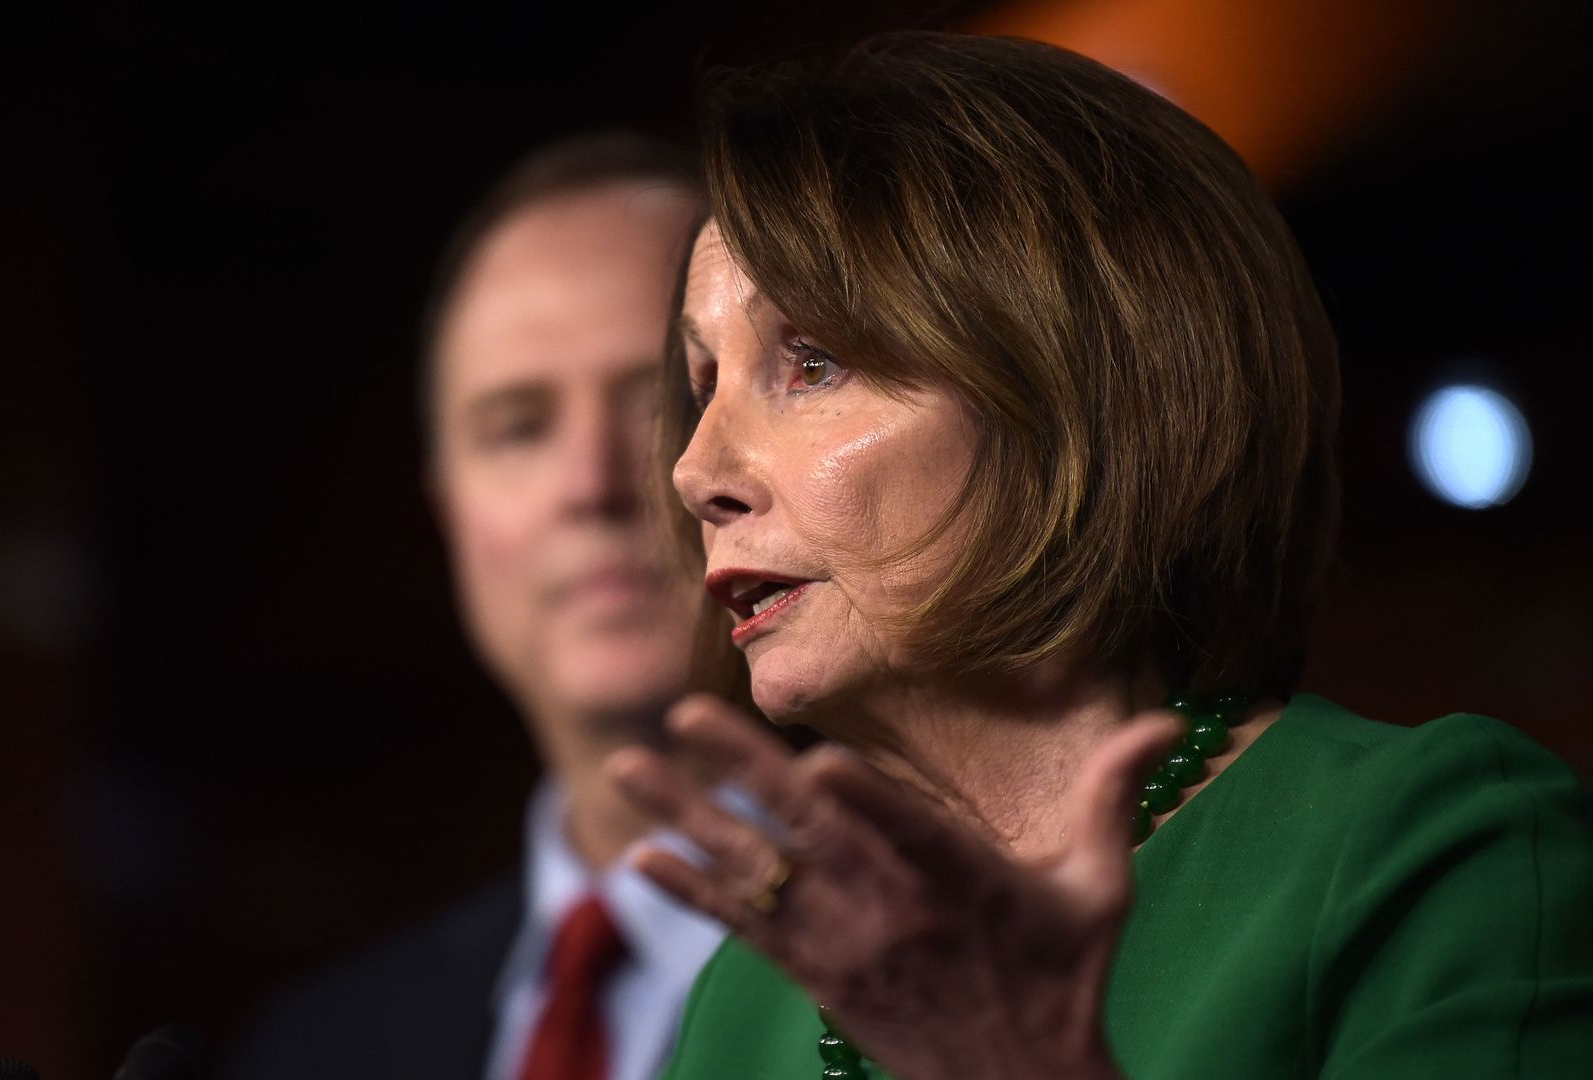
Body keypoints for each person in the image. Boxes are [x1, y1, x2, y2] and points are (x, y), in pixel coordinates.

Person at [604, 34, 1593, 1079]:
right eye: (703, 384)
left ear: (1077, 388)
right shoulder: (750, 996)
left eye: (814, 363)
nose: (692, 468)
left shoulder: (1425, 846)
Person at [225, 135, 728, 1080]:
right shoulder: (312, 1051)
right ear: (447, 512)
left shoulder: (969, 975)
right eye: (518, 427)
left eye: (658, 399)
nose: (590, 484)